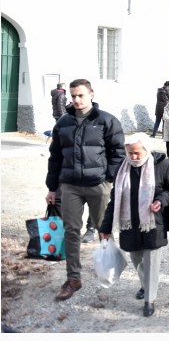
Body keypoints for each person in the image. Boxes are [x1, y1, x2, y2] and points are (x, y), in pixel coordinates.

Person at [44, 78, 126, 301]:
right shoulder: (63, 123)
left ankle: (109, 271)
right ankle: (73, 279)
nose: (76, 100)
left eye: (80, 95)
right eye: (73, 96)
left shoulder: (107, 121)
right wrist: (52, 188)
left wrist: (108, 180)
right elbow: (56, 157)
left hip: (98, 186)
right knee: (71, 231)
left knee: (104, 230)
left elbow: (118, 154)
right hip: (70, 186)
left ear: (91, 94)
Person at [99, 132, 169, 317]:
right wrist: (105, 227)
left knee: (151, 261)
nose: (133, 157)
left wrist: (162, 200)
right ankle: (145, 284)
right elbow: (114, 200)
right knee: (137, 259)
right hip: (130, 224)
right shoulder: (122, 167)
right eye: (130, 153)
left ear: (146, 149)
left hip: (153, 223)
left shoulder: (162, 164)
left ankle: (149, 300)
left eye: (137, 153)